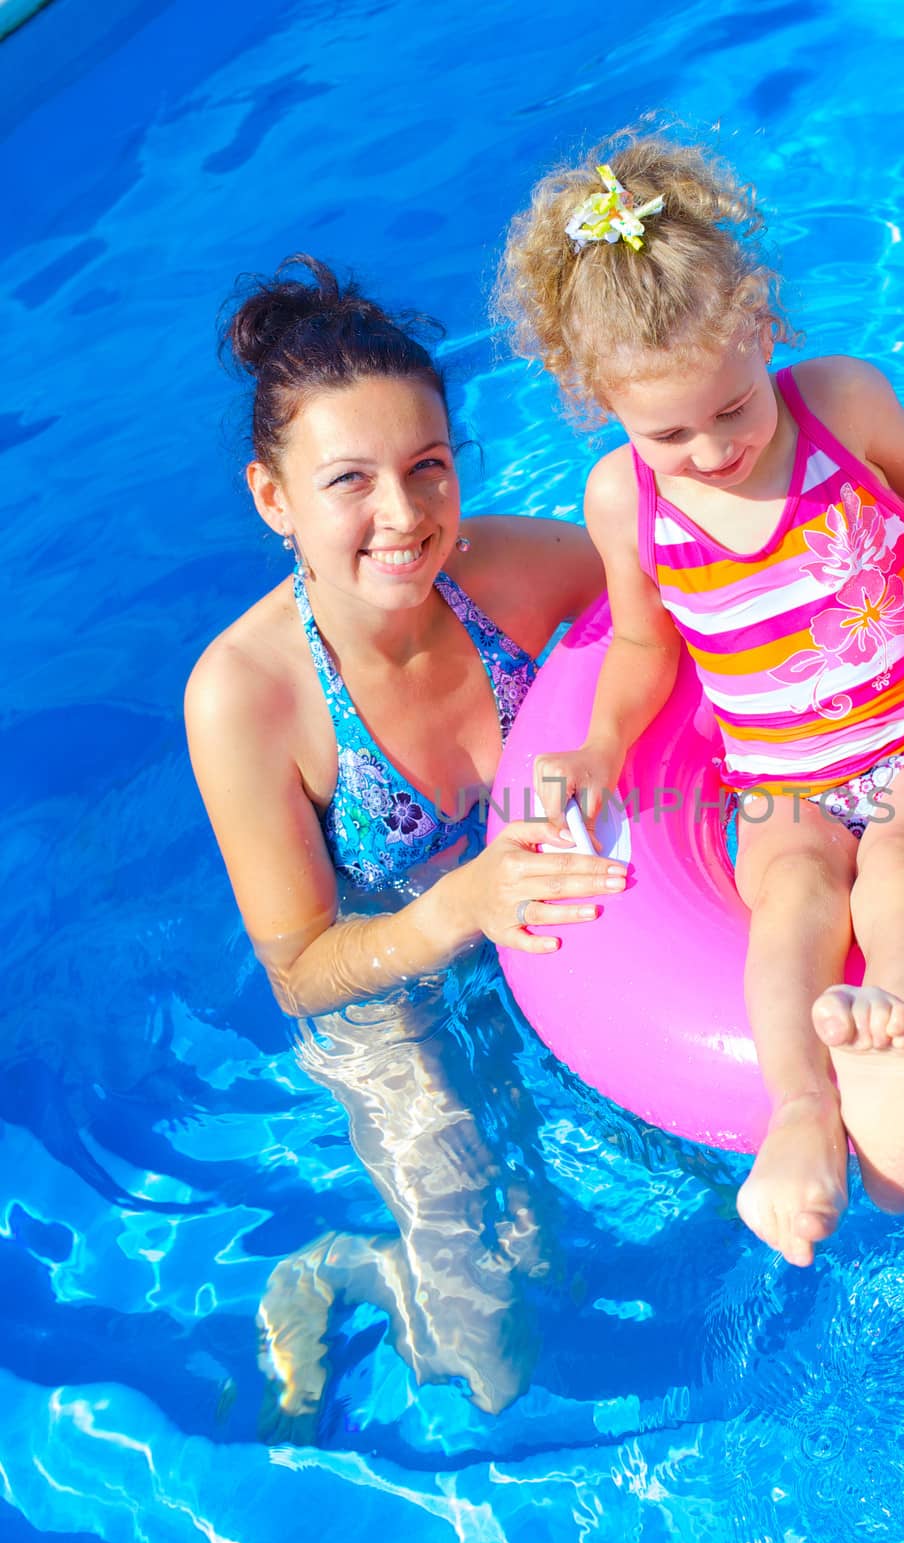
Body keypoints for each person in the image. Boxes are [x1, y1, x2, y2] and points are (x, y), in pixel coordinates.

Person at [496, 136, 904, 1269]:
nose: (712, 449)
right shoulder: (624, 503)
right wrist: (596, 745)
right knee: (788, 897)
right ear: (604, 411)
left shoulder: (835, 403)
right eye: (666, 433)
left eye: (731, 410)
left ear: (762, 329)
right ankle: (798, 1114)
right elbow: (644, 644)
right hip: (776, 774)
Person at [185, 255, 620, 1419]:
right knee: (494, 1357)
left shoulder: (515, 577)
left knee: (558, 1249)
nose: (404, 516)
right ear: (272, 499)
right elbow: (299, 972)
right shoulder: (247, 696)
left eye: (428, 468)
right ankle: (340, 1265)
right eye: (348, 481)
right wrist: (458, 909)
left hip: (530, 935)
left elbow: (670, 609)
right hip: (386, 1000)